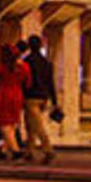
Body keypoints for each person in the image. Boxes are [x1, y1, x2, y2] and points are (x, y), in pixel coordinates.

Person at [0, 44, 30, 161]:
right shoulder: (24, 66)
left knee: (4, 125)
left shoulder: (2, 66)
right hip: (18, 94)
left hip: (4, 94)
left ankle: (16, 150)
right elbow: (28, 82)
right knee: (13, 123)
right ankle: (3, 150)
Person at [19, 35, 56, 165]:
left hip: (31, 96)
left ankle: (48, 149)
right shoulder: (46, 62)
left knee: (36, 125)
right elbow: (51, 82)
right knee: (30, 124)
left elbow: (25, 80)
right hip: (43, 96)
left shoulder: (27, 61)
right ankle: (29, 151)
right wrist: (54, 100)